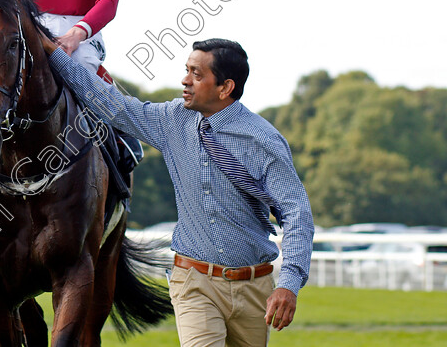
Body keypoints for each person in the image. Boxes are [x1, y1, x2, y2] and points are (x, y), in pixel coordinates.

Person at [39, 35, 314, 346]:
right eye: (187, 70)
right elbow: (113, 105)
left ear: (225, 88)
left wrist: (289, 284)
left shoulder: (264, 140)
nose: (185, 81)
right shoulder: (172, 120)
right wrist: (55, 54)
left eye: (197, 74)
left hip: (255, 289)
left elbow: (296, 213)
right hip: (193, 284)